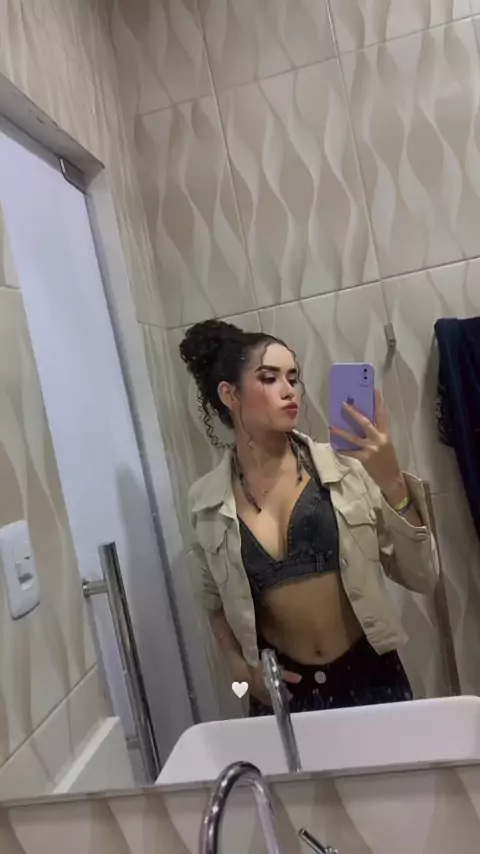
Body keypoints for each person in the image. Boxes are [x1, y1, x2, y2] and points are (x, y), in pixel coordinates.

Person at [180, 320, 438, 716]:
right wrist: (239, 674)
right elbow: (212, 601)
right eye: (269, 378)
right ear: (230, 395)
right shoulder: (205, 502)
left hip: (372, 678)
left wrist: (391, 481)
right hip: (280, 694)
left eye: (293, 377)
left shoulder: (345, 469)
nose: (290, 391)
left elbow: (423, 576)